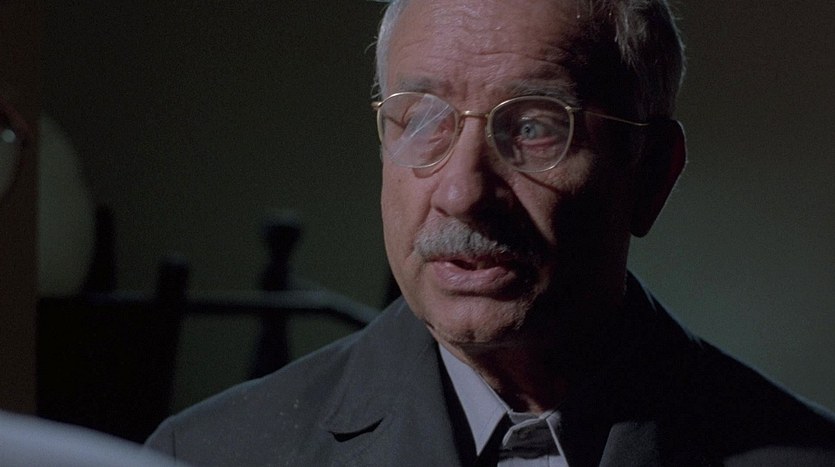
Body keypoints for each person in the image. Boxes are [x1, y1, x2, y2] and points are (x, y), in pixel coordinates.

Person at [145, 0, 835, 465]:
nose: (461, 193)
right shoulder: (204, 455)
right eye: (422, 119)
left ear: (652, 174)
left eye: (534, 126)